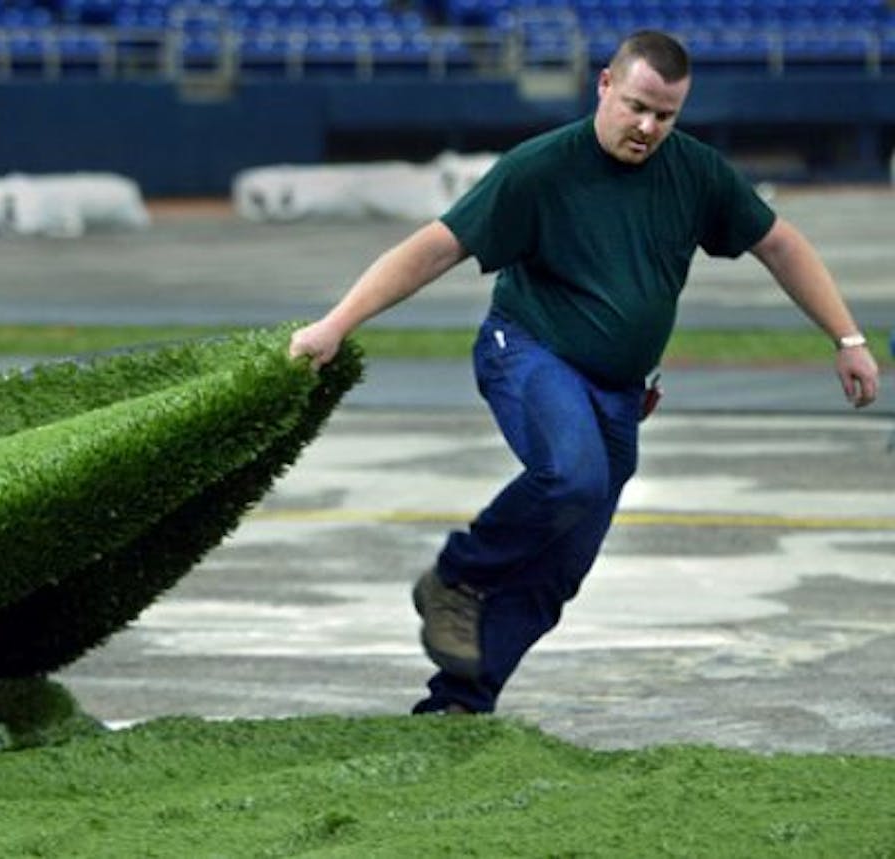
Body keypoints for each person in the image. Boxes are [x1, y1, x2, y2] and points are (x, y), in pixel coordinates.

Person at [287, 30, 881, 716]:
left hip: (620, 394)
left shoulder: (694, 172)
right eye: (636, 107)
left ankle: (458, 702)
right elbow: (433, 248)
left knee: (560, 567)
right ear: (604, 85)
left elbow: (778, 242)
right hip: (530, 352)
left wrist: (847, 336)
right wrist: (336, 323)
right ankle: (457, 576)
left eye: (666, 115)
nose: (648, 127)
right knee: (572, 475)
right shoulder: (541, 168)